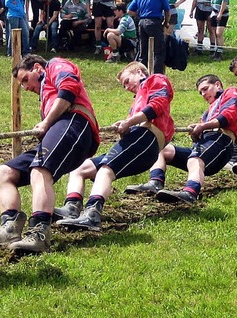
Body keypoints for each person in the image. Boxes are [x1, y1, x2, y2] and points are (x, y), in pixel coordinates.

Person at [0, 54, 99, 254]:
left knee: (39, 170)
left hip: (75, 124)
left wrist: (47, 123)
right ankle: (10, 227)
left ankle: (40, 233)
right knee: (3, 174)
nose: (25, 87)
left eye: (25, 80)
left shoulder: (56, 65)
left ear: (38, 68)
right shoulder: (46, 96)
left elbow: (69, 88)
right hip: (62, 128)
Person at [53, 61, 174, 230]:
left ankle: (92, 214)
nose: (126, 88)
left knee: (105, 169)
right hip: (138, 139)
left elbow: (158, 105)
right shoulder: (137, 101)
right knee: (80, 169)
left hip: (147, 138)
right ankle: (72, 207)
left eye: (126, 81)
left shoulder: (155, 79)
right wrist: (126, 129)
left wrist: (129, 122)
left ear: (139, 72)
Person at [124, 74, 237, 204]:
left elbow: (228, 116)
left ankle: (190, 193)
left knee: (195, 158)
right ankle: (155, 183)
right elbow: (200, 138)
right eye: (200, 92)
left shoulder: (231, 92)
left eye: (205, 89)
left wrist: (203, 126)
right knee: (162, 150)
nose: (203, 94)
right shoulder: (208, 112)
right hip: (207, 147)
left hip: (222, 142)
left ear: (217, 85)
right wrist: (196, 133)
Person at [128, 0, 171, 74]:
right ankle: (157, 74)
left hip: (141, 23)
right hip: (154, 23)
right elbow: (168, 12)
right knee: (159, 51)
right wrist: (166, 22)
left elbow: (129, 11)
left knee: (143, 51)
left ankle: (142, 74)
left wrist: (140, 14)